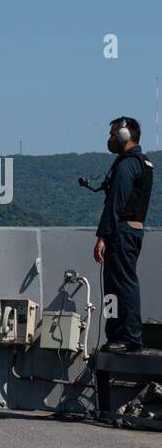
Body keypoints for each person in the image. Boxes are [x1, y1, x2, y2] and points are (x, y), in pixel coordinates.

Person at [93, 116, 152, 353]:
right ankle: (117, 335)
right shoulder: (142, 162)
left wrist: (102, 236)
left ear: (125, 135)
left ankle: (127, 337)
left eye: (113, 133)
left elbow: (115, 203)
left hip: (121, 232)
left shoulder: (128, 164)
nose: (110, 138)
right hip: (130, 231)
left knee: (121, 285)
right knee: (112, 287)